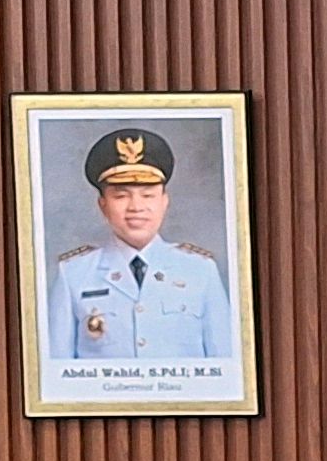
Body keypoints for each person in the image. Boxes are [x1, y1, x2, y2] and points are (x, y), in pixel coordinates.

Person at [45, 127, 239, 363]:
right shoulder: (74, 274)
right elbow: (58, 370)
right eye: (121, 196)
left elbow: (225, 365)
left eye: (148, 195)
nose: (136, 207)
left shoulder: (200, 271)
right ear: (102, 205)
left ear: (164, 202)